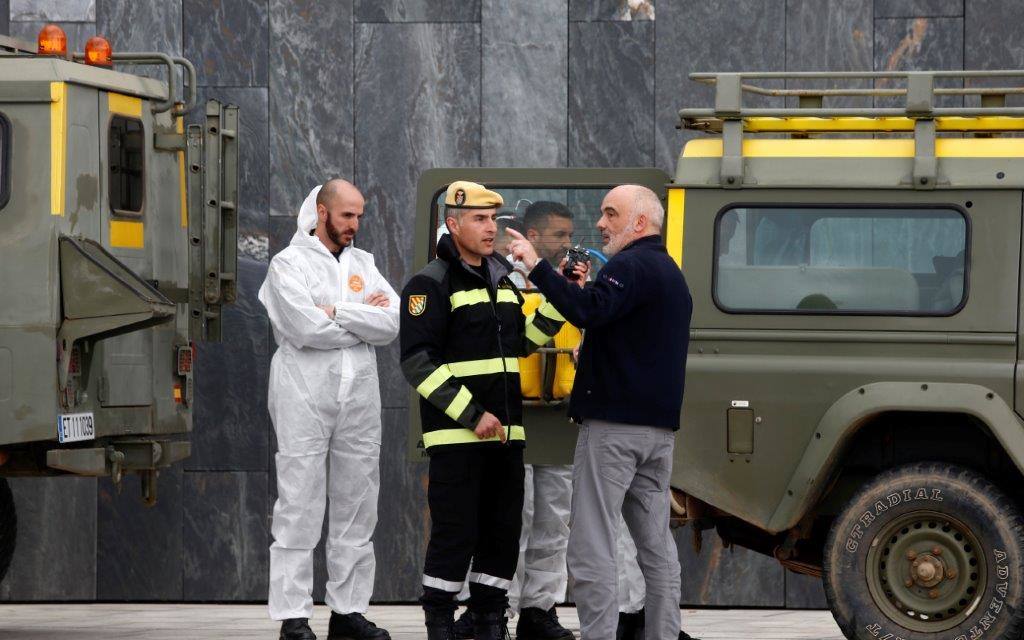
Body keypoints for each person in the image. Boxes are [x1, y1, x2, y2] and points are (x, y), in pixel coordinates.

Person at [507, 184, 694, 640]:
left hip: (613, 431)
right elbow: (626, 333)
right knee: (655, 545)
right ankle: (663, 633)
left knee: (593, 543)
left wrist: (535, 266)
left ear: (640, 223)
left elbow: (589, 310)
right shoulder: (669, 272)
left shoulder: (629, 266)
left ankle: (599, 635)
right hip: (657, 433)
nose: (601, 224)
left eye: (611, 214)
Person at [399, 181, 575, 640]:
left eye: (493, 219)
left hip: (506, 438)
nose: (489, 228)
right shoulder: (429, 283)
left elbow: (520, 344)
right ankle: (440, 625)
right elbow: (418, 363)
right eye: (479, 219)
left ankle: (489, 622)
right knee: (455, 538)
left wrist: (559, 302)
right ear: (453, 224)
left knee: (501, 538)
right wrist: (472, 415)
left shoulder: (501, 276)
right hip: (459, 439)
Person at [259, 179, 399, 640]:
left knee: (359, 502)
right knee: (299, 501)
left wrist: (335, 311)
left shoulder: (365, 263)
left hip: (358, 396)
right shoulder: (288, 263)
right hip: (303, 392)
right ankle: (293, 616)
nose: (354, 225)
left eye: (359, 216)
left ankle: (348, 611)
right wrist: (361, 315)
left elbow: (393, 322)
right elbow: (303, 328)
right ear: (322, 212)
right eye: (346, 216)